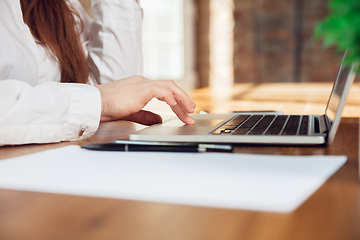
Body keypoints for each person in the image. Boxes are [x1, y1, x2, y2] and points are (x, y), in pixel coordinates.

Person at [0, 0, 195, 146]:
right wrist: (99, 101)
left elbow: (114, 89)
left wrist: (101, 101)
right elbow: (101, 99)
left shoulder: (62, 6)